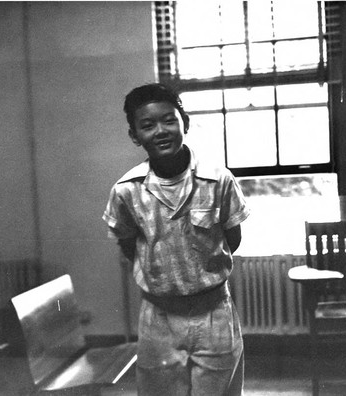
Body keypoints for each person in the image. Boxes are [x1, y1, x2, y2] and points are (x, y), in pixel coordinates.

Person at [103, 83, 250, 396]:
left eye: (169, 120)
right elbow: (129, 246)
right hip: (159, 317)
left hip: (213, 312)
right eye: (147, 125)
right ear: (134, 135)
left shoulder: (218, 180)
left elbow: (232, 238)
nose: (160, 131)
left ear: (185, 122)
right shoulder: (126, 191)